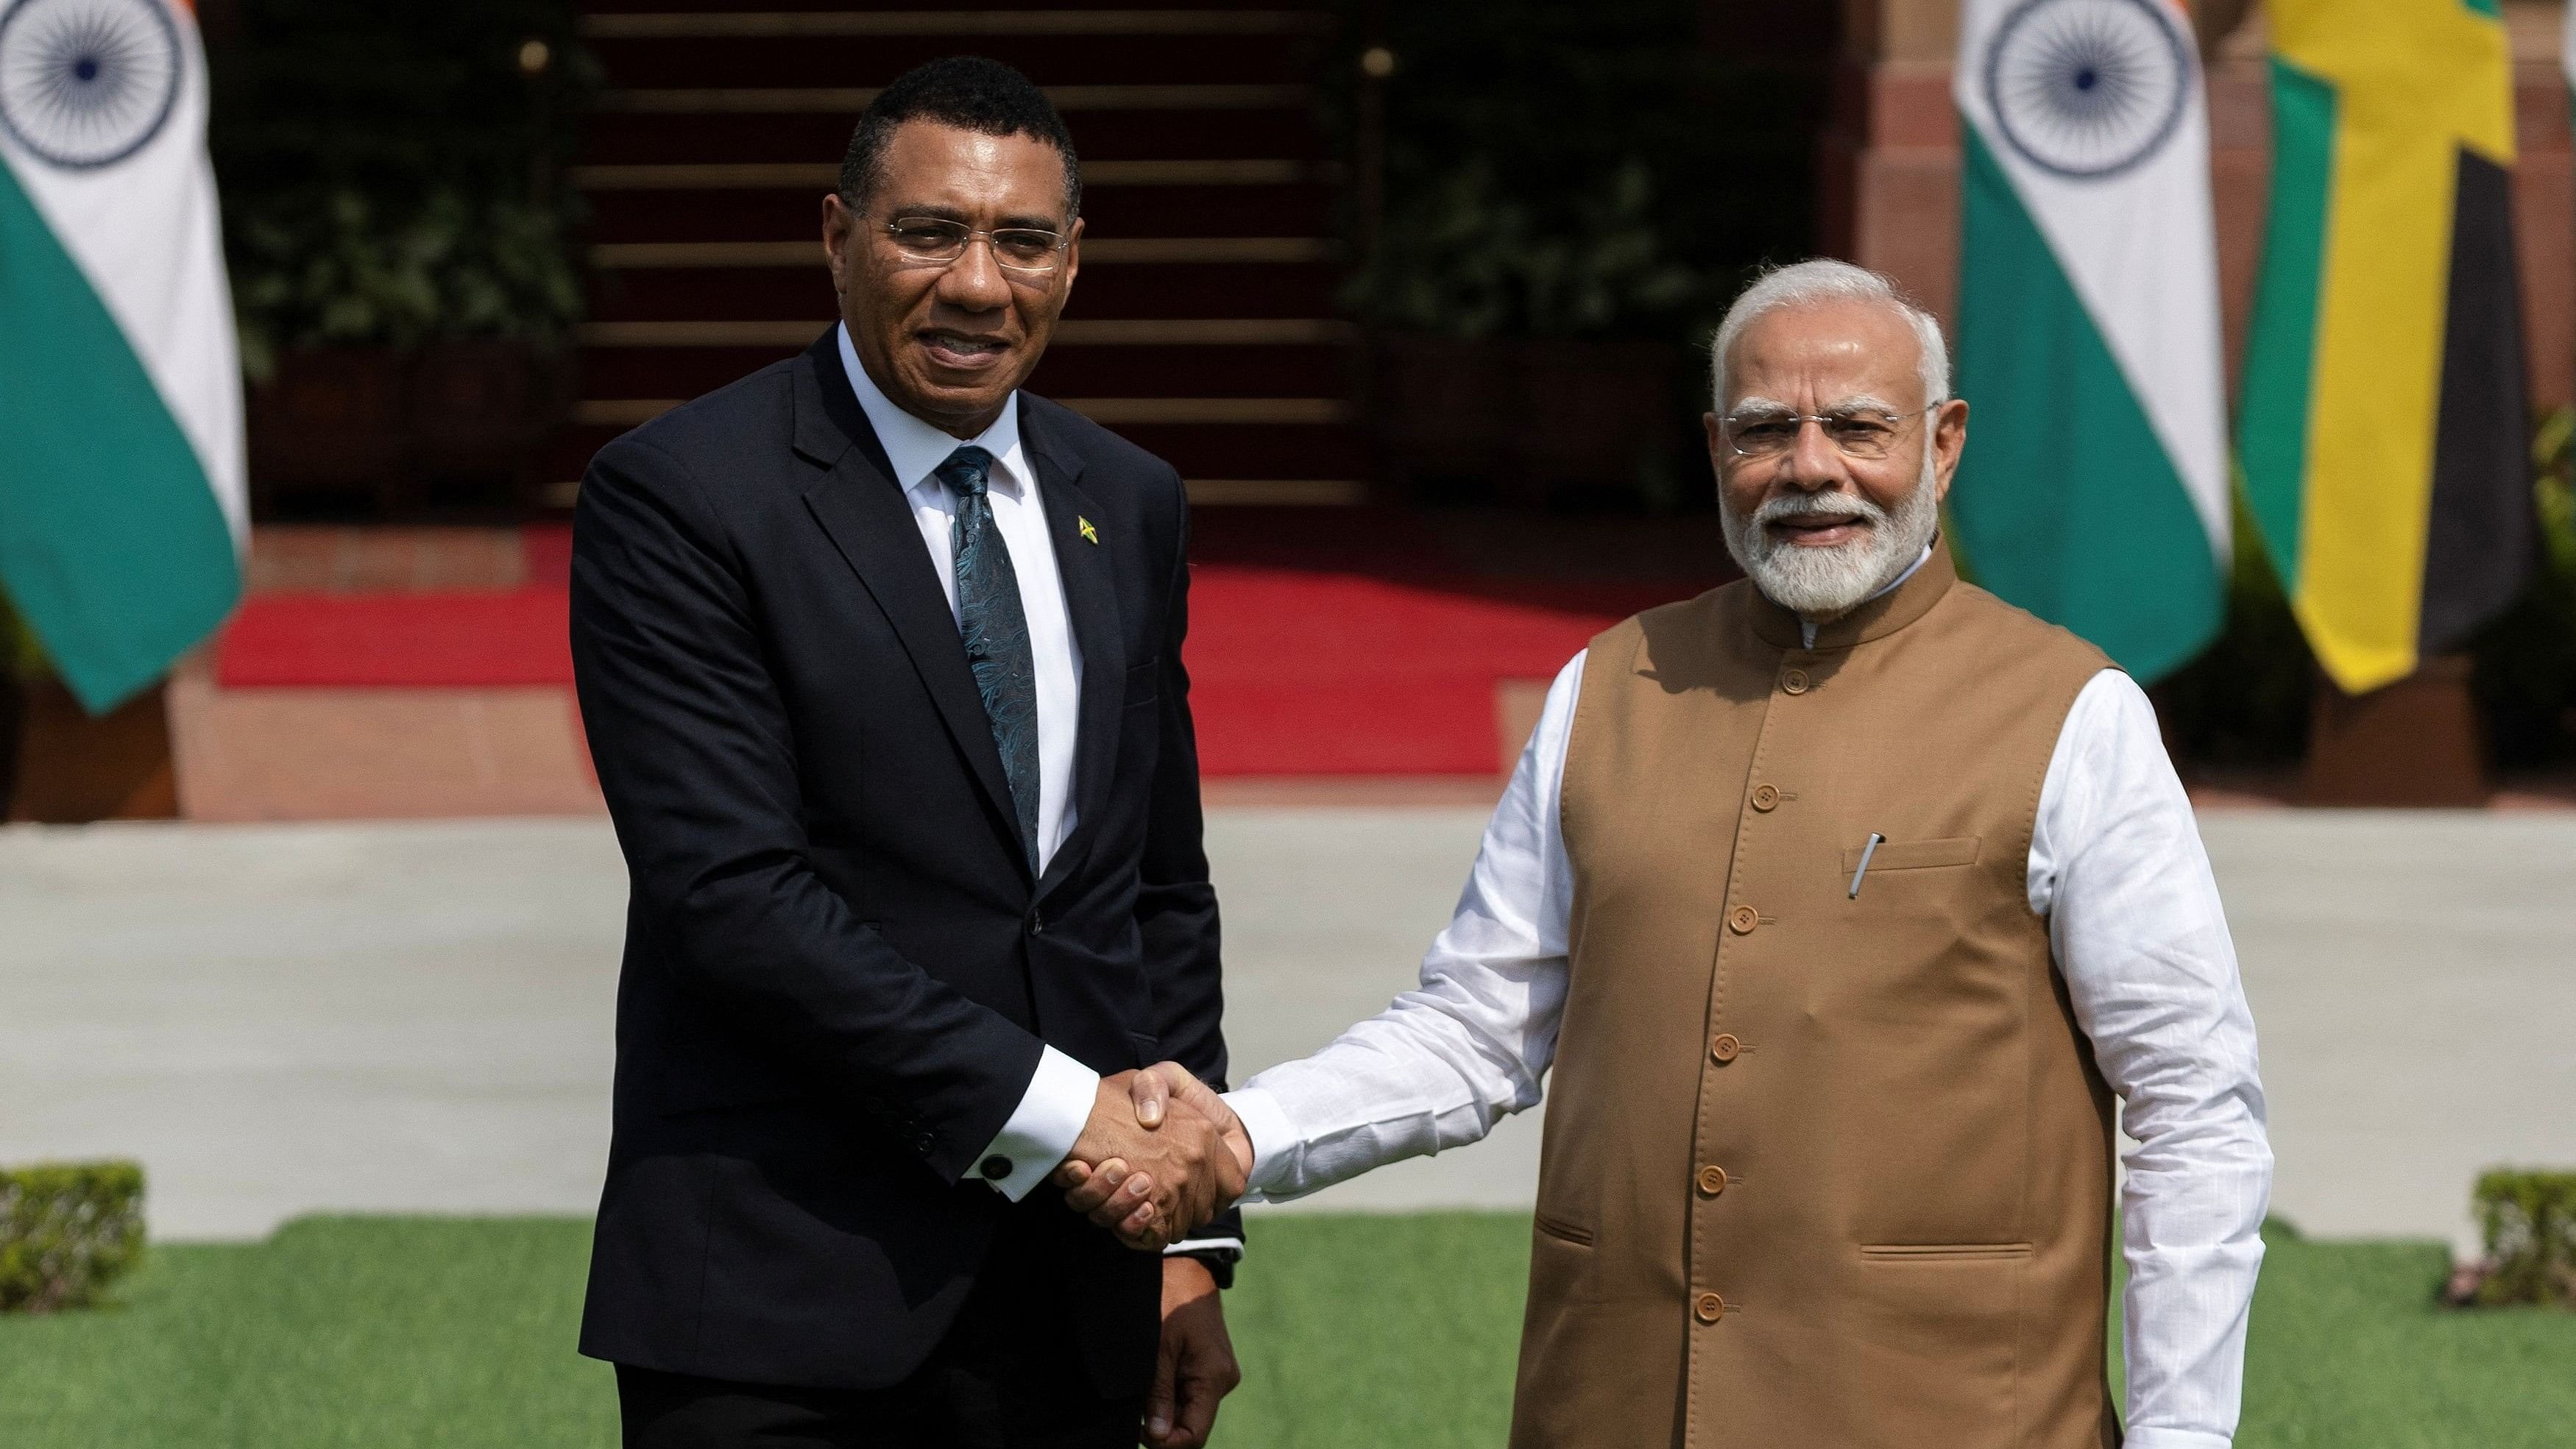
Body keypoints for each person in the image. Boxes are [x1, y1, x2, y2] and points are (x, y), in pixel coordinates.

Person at [1074, 260, 2274, 1448]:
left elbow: (2192, 1106)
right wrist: (1239, 1136)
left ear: (1945, 443)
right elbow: (1476, 1026)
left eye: (1858, 425)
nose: (1810, 467)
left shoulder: (2072, 712)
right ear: (1714, 448)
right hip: (1614, 1403)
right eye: (1766, 430)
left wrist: (2183, 1434)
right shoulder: (1610, 686)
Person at [570, 57, 1248, 1449]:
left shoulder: (1129, 498)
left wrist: (1191, 1236)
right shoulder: (683, 495)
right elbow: (734, 896)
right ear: (838, 236)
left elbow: (1155, 890)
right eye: (929, 231)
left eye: (1022, 240)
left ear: (1073, 259)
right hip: (780, 1303)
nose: (977, 285)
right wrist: (1076, 1119)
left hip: (1077, 1297)